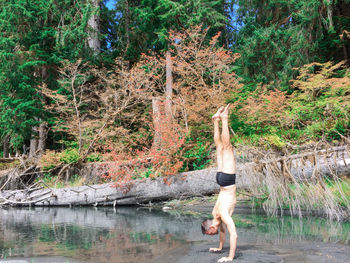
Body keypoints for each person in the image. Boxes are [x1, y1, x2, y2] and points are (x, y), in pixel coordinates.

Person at [201, 104, 238, 263]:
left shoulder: (220, 214)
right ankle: (215, 120)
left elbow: (233, 233)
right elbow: (224, 231)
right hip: (221, 180)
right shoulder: (215, 213)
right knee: (220, 147)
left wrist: (229, 257)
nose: (211, 235)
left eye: (209, 234)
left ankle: (223, 118)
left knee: (226, 147)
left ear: (210, 228)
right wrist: (220, 249)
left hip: (227, 181)